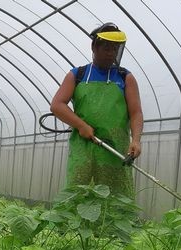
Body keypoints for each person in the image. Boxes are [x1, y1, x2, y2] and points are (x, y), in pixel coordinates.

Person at [50, 22, 143, 198]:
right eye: (107, 48)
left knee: (116, 198)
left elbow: (136, 112)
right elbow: (57, 105)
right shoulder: (77, 75)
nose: (111, 54)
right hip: (83, 148)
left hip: (115, 149)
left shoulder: (125, 77)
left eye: (115, 49)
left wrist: (136, 140)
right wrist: (81, 125)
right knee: (77, 193)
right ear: (94, 47)